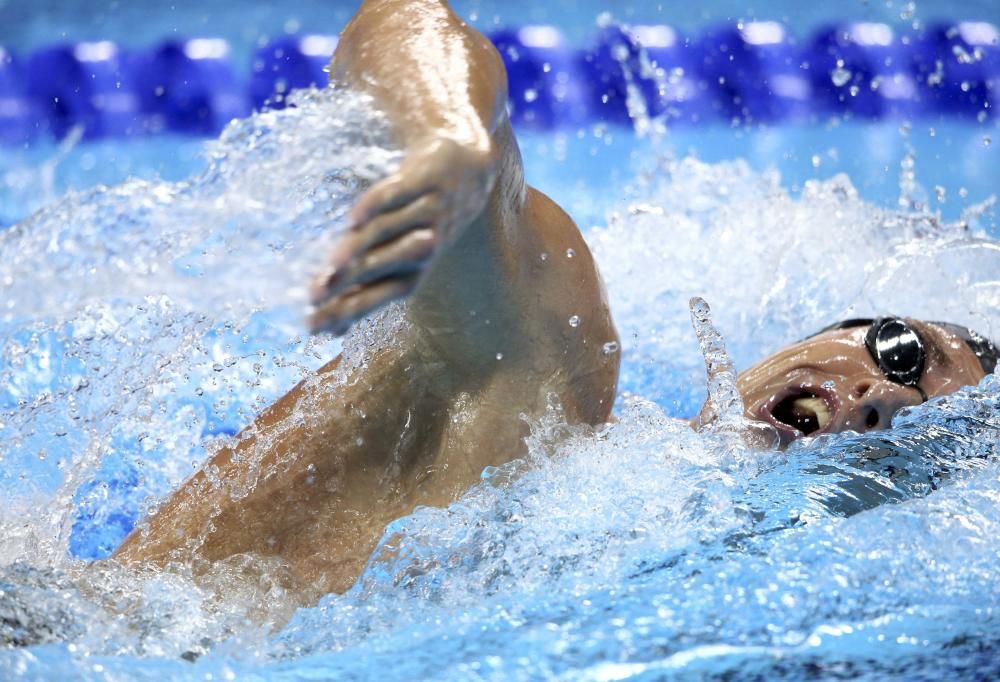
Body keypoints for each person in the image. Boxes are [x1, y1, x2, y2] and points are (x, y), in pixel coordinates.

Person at [111, 0, 997, 604]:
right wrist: (450, 139)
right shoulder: (552, 385)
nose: (880, 400)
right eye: (900, 353)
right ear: (820, 334)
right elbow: (406, 21)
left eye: (901, 445)